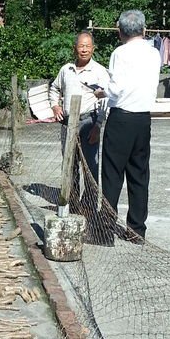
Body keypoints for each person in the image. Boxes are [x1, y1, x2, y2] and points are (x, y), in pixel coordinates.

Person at [98, 9, 160, 240]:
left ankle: (105, 229)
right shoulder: (154, 53)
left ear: (120, 30)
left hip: (122, 117)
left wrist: (101, 91)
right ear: (144, 29)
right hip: (143, 118)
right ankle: (136, 230)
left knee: (112, 174)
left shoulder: (120, 53)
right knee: (139, 175)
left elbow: (116, 88)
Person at [49, 30, 109, 207]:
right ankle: (72, 200)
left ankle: (89, 204)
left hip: (89, 122)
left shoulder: (99, 71)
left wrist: (98, 125)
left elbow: (106, 101)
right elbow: (54, 89)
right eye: (81, 46)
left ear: (93, 48)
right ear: (75, 48)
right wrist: (55, 106)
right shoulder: (66, 69)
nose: (84, 50)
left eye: (88, 46)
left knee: (90, 165)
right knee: (69, 162)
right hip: (68, 123)